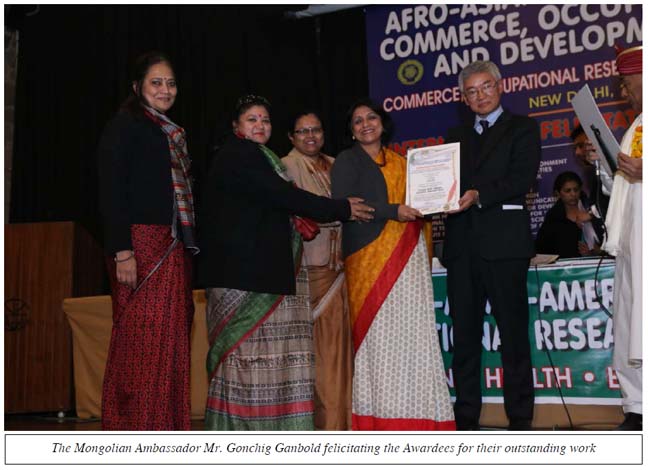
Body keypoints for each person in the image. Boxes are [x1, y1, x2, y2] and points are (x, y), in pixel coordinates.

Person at [197, 95, 373, 431]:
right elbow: (285, 197)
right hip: (244, 280)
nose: (260, 125)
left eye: (264, 120)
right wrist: (341, 208)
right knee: (246, 366)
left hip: (258, 275)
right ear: (236, 127)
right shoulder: (239, 155)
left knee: (267, 366)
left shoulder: (259, 158)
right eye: (252, 119)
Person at [331, 99, 455, 431]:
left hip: (409, 255)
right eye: (357, 121)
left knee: (414, 336)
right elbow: (347, 205)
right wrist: (393, 210)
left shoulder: (406, 163)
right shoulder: (346, 161)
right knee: (380, 341)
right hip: (368, 261)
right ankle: (379, 420)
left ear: (383, 123)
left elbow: (424, 202)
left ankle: (420, 417)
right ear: (352, 131)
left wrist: (442, 198)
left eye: (371, 117)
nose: (365, 124)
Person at [96, 51, 198, 430]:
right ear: (137, 87)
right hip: (138, 247)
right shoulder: (125, 126)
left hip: (171, 245)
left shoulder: (170, 132)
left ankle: (167, 430)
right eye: (156, 82)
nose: (165, 89)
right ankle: (134, 432)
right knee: (140, 344)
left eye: (170, 83)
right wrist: (123, 251)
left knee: (170, 343)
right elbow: (111, 192)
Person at [442, 60, 540, 430]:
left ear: (500, 87)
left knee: (513, 337)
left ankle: (520, 420)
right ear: (463, 98)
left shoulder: (523, 128)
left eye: (486, 87)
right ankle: (465, 419)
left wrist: (478, 195)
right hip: (462, 248)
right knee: (464, 339)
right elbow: (442, 182)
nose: (480, 95)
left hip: (504, 247)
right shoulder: (454, 135)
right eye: (472, 91)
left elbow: (522, 178)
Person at [281, 110, 353, 430]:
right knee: (321, 356)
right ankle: (325, 429)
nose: (310, 136)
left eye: (316, 129)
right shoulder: (287, 166)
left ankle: (346, 423)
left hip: (344, 269)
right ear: (292, 137)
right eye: (302, 131)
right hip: (311, 272)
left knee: (342, 353)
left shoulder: (338, 165)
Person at [599, 44, 642, 430]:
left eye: (626, 82)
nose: (622, 92)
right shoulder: (637, 125)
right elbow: (623, 187)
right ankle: (637, 406)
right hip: (632, 239)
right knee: (630, 321)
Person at [535, 171, 604, 258]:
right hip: (564, 268)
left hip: (597, 265)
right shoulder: (554, 218)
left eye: (576, 189)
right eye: (567, 191)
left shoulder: (593, 210)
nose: (573, 194)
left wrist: (594, 253)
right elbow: (543, 250)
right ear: (558, 193)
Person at [570, 124, 610, 217]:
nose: (577, 152)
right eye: (575, 148)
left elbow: (615, 201)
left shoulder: (613, 170)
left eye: (581, 146)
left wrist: (591, 214)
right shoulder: (593, 172)